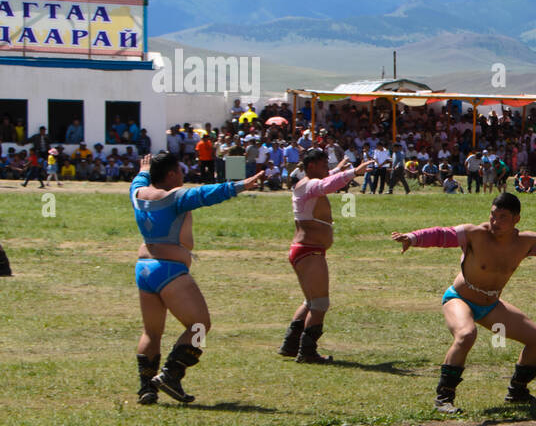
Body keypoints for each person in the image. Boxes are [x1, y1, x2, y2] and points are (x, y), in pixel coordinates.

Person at [391, 193, 536, 413]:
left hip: (491, 305)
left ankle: (517, 392)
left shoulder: (525, 242)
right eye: (493, 215)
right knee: (466, 335)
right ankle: (444, 397)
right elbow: (442, 235)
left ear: (516, 219)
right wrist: (413, 237)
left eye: (503, 218)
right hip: (460, 299)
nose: (495, 222)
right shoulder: (475, 234)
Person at [130, 151, 265, 404]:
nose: (183, 175)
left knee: (151, 332)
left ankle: (146, 388)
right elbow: (205, 194)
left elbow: (140, 178)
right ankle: (172, 373)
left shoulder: (136, 193)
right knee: (201, 326)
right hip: (169, 270)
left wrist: (143, 171)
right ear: (170, 174)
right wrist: (240, 186)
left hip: (144, 268)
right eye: (179, 171)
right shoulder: (175, 198)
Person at [279, 149, 375, 363]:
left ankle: (290, 344)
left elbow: (323, 179)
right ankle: (308, 352)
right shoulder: (311, 185)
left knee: (311, 301)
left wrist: (337, 169)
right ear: (311, 166)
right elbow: (324, 185)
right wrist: (352, 173)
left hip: (305, 250)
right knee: (320, 303)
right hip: (309, 251)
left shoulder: (304, 184)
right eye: (323, 165)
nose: (326, 169)